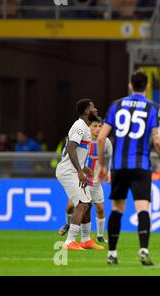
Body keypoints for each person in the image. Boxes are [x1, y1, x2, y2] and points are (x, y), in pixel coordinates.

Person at [97, 70, 160, 266]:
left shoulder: (116, 105)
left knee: (117, 208)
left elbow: (101, 137)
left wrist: (102, 166)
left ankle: (112, 253)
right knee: (143, 208)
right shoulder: (153, 107)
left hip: (119, 166)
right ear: (147, 86)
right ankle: (144, 249)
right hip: (141, 166)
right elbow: (157, 140)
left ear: (130, 84)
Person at [55, 99, 104, 251]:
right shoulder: (79, 126)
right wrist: (79, 171)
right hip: (68, 171)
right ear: (85, 112)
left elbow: (77, 151)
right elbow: (70, 148)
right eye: (92, 107)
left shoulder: (86, 128)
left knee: (87, 203)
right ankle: (69, 242)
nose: (95, 109)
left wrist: (84, 167)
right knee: (82, 204)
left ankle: (86, 240)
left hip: (74, 169)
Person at [58, 117, 113, 243]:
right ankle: (68, 224)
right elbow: (68, 153)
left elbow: (109, 157)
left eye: (100, 126)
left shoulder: (106, 142)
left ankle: (99, 235)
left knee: (99, 208)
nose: (98, 129)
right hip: (80, 179)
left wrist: (108, 172)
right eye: (95, 126)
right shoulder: (82, 140)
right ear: (89, 127)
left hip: (95, 180)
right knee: (71, 207)